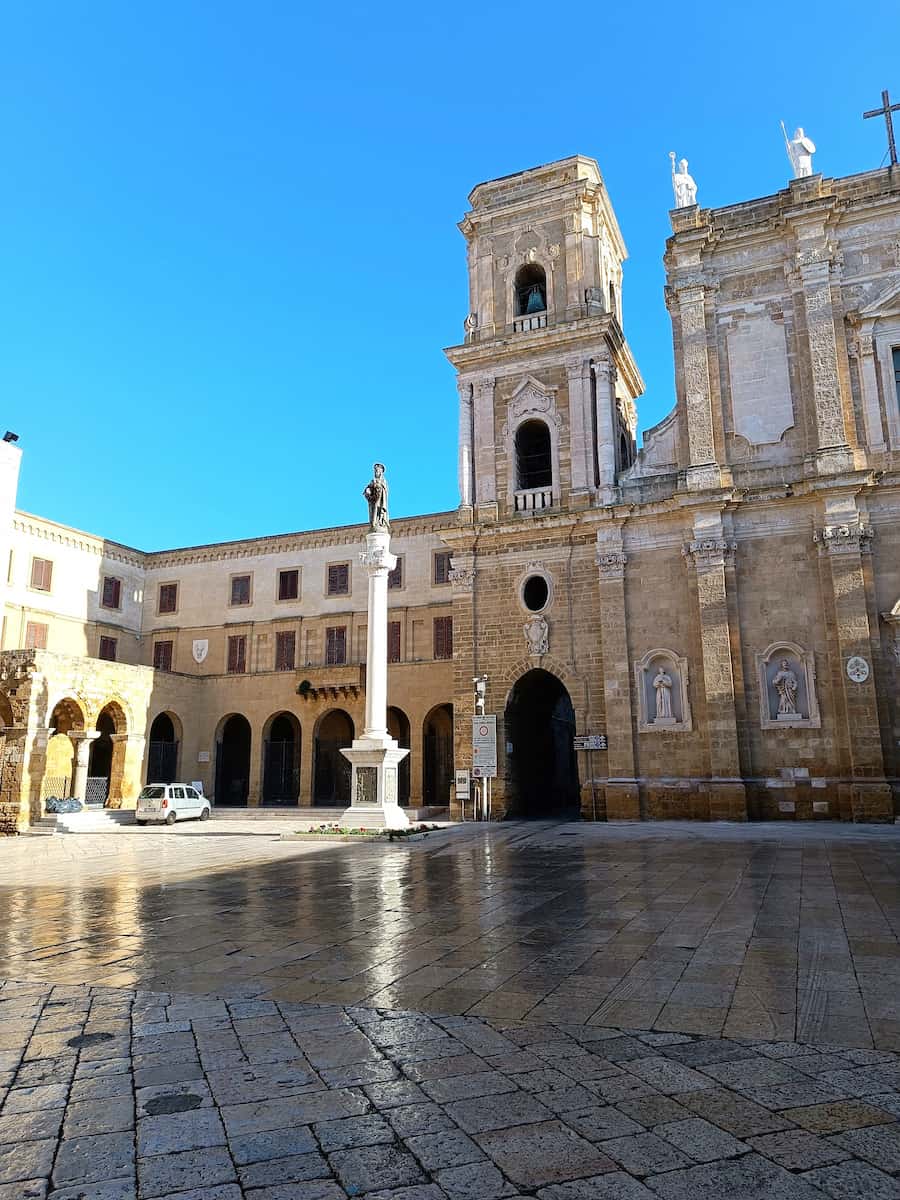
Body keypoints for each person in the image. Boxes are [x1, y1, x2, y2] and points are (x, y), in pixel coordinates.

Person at [363, 462, 389, 531]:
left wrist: (378, 486)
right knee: (373, 511)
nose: (375, 472)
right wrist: (368, 490)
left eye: (377, 471)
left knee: (380, 512)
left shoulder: (383, 481)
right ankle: (373, 524)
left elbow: (384, 489)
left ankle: (380, 522)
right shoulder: (373, 480)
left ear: (381, 472)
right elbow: (368, 487)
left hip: (380, 500)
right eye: (375, 471)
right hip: (373, 500)